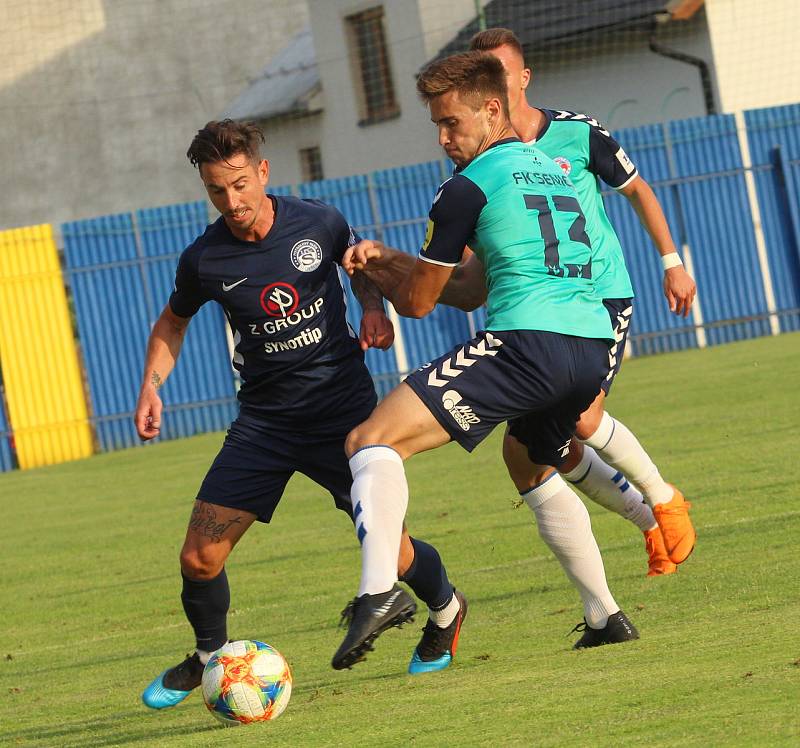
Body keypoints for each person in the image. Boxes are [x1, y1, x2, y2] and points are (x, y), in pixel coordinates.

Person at [137, 120, 465, 710]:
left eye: (239, 184)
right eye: (217, 191)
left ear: (262, 172)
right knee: (198, 555)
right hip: (264, 424)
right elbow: (172, 322)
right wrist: (151, 386)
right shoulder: (204, 258)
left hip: (343, 416)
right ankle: (213, 659)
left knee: (393, 549)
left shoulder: (317, 221)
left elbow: (360, 269)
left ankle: (446, 608)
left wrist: (372, 311)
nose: (232, 202)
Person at [332, 51, 640, 672]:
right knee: (527, 463)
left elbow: (419, 303)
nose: (445, 139)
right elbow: (471, 288)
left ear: (491, 108)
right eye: (438, 127)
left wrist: (381, 266)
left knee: (370, 440)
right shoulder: (549, 166)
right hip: (590, 348)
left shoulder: (465, 188)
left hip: (529, 344)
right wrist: (395, 259)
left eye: (452, 123)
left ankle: (379, 592)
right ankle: (605, 615)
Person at [466, 28, 697, 575]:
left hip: (599, 297)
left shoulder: (575, 134)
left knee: (586, 418)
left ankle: (666, 498)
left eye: (500, 74)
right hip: (537, 317)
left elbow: (637, 188)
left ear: (522, 79)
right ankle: (649, 525)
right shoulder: (477, 163)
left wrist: (672, 262)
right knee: (547, 449)